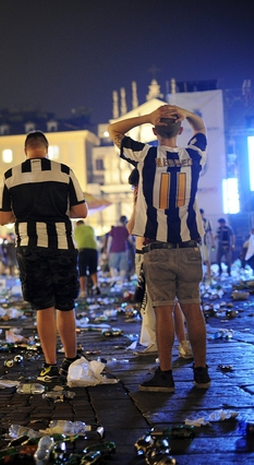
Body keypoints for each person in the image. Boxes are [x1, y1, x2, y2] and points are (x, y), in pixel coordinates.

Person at [108, 104, 209, 392]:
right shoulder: (194, 154)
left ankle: (165, 374)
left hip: (157, 247)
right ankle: (201, 372)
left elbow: (113, 130)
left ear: (154, 132)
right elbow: (200, 128)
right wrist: (183, 112)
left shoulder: (146, 155)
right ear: (180, 131)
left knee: (163, 311)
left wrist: (146, 117)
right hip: (189, 246)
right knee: (193, 308)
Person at [0, 130, 87, 384]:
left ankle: (50, 363)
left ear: (26, 150)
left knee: (43, 307)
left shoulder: (10, 176)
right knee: (65, 305)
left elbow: (3, 218)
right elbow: (81, 210)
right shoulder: (64, 171)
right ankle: (70, 358)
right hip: (61, 244)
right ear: (46, 149)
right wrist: (58, 211)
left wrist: (25, 214)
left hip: (29, 246)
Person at [126, 169, 192, 360]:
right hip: (171, 251)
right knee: (174, 303)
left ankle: (154, 345)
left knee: (151, 305)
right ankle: (184, 344)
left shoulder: (144, 200)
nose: (133, 189)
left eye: (133, 186)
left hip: (148, 254)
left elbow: (131, 228)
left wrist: (135, 202)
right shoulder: (163, 196)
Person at [104, 216, 133, 287]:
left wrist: (107, 251)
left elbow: (109, 241)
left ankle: (114, 279)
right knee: (123, 266)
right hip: (124, 250)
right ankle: (121, 281)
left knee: (112, 266)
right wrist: (134, 245)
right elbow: (130, 239)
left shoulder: (113, 230)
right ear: (124, 221)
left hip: (114, 250)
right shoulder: (125, 229)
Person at [74, 220, 100, 298]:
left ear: (77, 224)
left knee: (82, 271)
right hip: (94, 249)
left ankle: (83, 292)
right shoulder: (90, 228)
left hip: (83, 250)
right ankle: (96, 286)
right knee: (93, 270)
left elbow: (74, 241)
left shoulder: (76, 229)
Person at [199, 209, 214, 278]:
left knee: (206, 259)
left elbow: (211, 233)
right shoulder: (196, 221)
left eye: (202, 214)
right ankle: (201, 275)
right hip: (198, 243)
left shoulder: (207, 222)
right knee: (199, 260)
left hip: (205, 243)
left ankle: (209, 274)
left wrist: (213, 243)